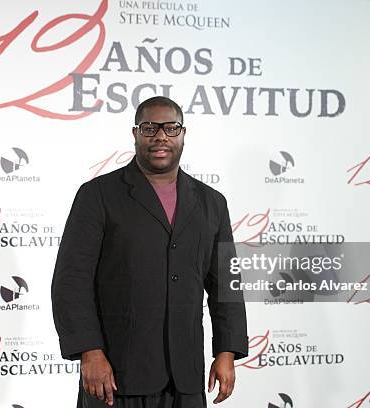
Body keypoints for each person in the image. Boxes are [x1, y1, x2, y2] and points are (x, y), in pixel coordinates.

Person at [51, 96, 248, 408]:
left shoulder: (212, 202)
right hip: (116, 375)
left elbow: (226, 285)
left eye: (171, 128)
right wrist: (89, 351)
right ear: (135, 134)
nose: (160, 137)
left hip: (185, 376)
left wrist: (226, 352)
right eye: (149, 128)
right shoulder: (98, 195)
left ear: (183, 134)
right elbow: (71, 281)